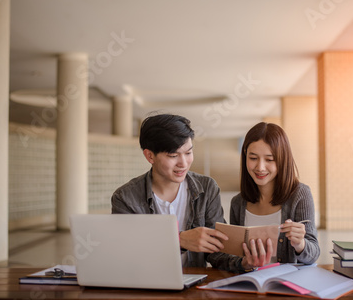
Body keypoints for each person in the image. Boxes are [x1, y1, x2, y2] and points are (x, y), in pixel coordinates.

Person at [111, 113, 228, 267]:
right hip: (146, 284)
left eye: (188, 153)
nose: (183, 163)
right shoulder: (125, 197)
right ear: (150, 156)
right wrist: (179, 239)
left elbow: (217, 250)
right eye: (173, 155)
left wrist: (244, 262)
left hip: (194, 286)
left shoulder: (207, 188)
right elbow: (127, 251)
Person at [208, 122, 320, 272]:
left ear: (282, 159)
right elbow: (235, 257)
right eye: (253, 158)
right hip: (251, 284)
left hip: (286, 286)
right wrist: (243, 262)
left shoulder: (300, 194)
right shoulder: (238, 203)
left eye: (269, 159)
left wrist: (300, 244)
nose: (260, 167)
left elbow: (313, 255)